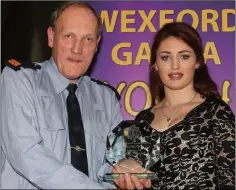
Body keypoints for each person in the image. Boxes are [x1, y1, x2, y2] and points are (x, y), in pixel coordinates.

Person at [0, 1, 124, 189]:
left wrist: (123, 173)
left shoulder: (108, 99)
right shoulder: (19, 80)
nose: (77, 49)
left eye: (88, 39)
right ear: (51, 37)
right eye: (68, 36)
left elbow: (114, 162)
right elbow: (26, 154)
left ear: (97, 44)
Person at [111, 22, 235, 189]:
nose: (174, 65)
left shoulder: (216, 111)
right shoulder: (141, 120)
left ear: (197, 62)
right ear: (155, 64)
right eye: (165, 57)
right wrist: (125, 169)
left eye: (184, 56)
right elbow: (130, 170)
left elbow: (230, 180)